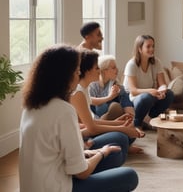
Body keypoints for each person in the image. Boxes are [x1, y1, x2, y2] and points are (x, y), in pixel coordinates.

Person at [19, 44, 138, 192]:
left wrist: (90, 152)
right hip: (58, 187)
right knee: (129, 176)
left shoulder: (30, 106)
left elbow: (51, 152)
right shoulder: (63, 110)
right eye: (76, 71)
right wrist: (101, 152)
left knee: (115, 152)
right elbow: (82, 173)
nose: (78, 75)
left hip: (36, 185)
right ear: (63, 76)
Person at [70, 50, 144, 156]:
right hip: (83, 139)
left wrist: (119, 123)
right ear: (87, 71)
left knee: (128, 134)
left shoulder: (83, 89)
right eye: (96, 68)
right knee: (122, 137)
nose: (100, 71)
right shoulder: (78, 92)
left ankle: (122, 147)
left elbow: (91, 122)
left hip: (88, 132)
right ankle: (121, 147)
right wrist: (122, 128)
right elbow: (91, 127)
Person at [123, 35, 174, 129]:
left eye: (153, 46)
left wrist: (162, 89)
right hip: (133, 96)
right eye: (148, 46)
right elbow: (133, 91)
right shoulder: (131, 64)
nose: (152, 49)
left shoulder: (156, 62)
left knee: (169, 94)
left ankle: (151, 119)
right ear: (139, 49)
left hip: (150, 94)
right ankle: (137, 123)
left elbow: (162, 83)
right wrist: (151, 91)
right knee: (147, 97)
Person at [89, 55, 135, 120]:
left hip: (109, 113)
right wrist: (109, 97)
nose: (117, 70)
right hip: (96, 114)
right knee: (114, 105)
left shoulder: (114, 83)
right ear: (104, 70)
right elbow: (89, 101)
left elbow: (126, 102)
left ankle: (133, 119)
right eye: (113, 68)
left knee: (122, 93)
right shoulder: (93, 84)